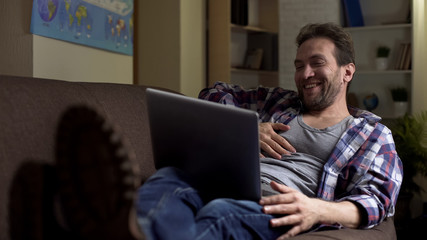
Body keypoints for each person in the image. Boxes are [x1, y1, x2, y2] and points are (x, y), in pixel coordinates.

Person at [54, 23, 403, 240]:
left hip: (275, 206)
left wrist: (316, 209)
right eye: (299, 65)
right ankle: (134, 229)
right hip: (217, 180)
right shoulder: (278, 102)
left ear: (347, 72)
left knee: (219, 215)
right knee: (169, 179)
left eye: (317, 63)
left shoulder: (370, 135)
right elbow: (215, 92)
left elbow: (377, 201)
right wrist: (252, 126)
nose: (305, 73)